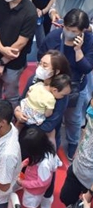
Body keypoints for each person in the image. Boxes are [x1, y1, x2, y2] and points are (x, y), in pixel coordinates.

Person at [17, 50, 72, 208]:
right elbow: (23, 100)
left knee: (47, 169)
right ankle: (25, 184)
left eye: (45, 65)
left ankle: (47, 195)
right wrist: (19, 112)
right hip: (28, 133)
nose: (40, 67)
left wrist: (31, 125)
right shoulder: (34, 80)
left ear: (56, 72)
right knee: (27, 162)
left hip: (45, 138)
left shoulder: (60, 92)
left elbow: (51, 123)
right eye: (40, 63)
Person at [39, 9, 93, 162]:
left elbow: (87, 68)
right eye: (67, 28)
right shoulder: (54, 37)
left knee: (73, 119)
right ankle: (50, 145)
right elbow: (41, 55)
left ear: (82, 31)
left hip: (75, 88)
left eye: (73, 31)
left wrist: (77, 50)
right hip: (53, 86)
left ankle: (73, 143)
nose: (69, 32)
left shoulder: (89, 41)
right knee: (51, 115)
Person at [19, 128, 64, 208]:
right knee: (35, 205)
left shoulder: (44, 165)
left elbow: (42, 182)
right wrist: (24, 163)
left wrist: (23, 183)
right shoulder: (45, 152)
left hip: (34, 191)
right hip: (33, 186)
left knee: (34, 207)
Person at [60, 97, 93, 207]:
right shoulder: (91, 112)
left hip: (89, 181)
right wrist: (78, 151)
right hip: (77, 167)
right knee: (66, 197)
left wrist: (90, 193)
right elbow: (86, 131)